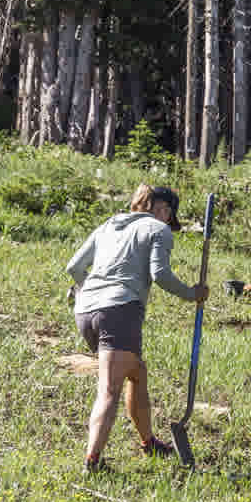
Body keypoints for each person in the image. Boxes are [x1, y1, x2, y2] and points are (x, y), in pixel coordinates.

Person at [65, 184, 206, 473]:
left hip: (85, 311)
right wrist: (193, 294)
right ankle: (92, 461)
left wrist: (90, 292)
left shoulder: (108, 225)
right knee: (109, 389)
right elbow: (160, 274)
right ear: (164, 210)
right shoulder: (158, 229)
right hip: (119, 311)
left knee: (136, 373)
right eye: (169, 213)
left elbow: (74, 267)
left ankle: (148, 441)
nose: (167, 219)